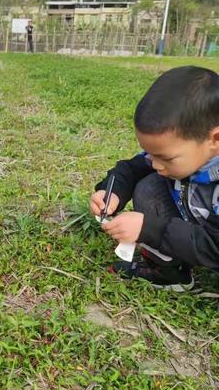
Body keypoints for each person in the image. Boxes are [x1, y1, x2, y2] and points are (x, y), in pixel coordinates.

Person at [90, 66, 219, 292]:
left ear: (215, 139)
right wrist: (111, 192)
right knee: (149, 185)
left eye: (166, 157)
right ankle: (172, 273)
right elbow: (131, 169)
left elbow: (214, 247)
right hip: (200, 229)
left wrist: (150, 229)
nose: (156, 163)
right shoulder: (183, 151)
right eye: (151, 154)